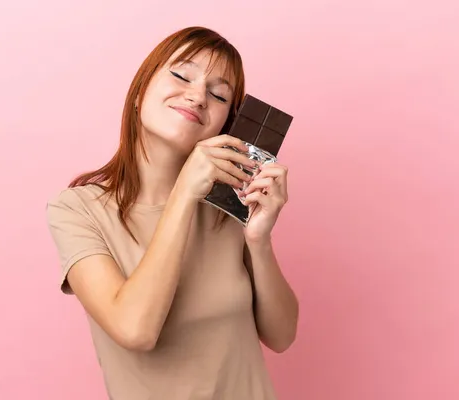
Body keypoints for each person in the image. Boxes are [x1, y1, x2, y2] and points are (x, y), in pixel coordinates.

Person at [46, 26, 299, 400]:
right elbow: (136, 330)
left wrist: (259, 241)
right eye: (181, 74)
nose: (197, 97)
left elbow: (281, 336)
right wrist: (184, 192)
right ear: (139, 92)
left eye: (218, 95)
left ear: (224, 123)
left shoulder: (227, 205)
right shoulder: (77, 210)